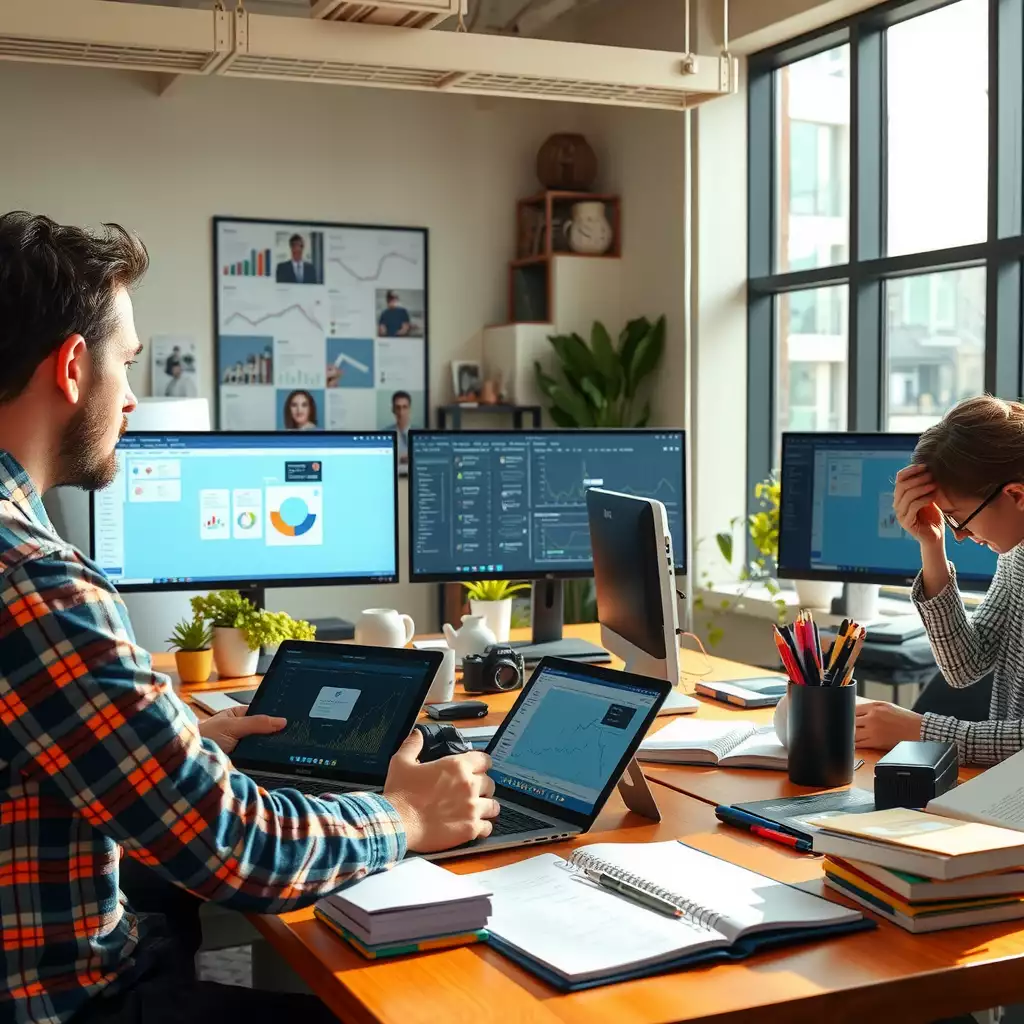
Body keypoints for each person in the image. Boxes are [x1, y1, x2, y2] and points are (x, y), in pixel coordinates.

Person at [0, 211, 499, 1024]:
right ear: (72, 368)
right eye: (126, 366)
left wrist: (180, 747)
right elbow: (236, 848)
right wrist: (407, 813)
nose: (130, 399)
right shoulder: (31, 579)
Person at [859, 395, 1024, 765]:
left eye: (958, 518)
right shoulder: (1017, 552)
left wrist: (921, 731)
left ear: (1016, 495)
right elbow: (965, 665)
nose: (960, 535)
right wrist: (932, 544)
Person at [390, 389, 412, 471]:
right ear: (393, 410)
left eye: (404, 407)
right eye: (398, 408)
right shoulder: (386, 434)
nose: (401, 412)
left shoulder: (419, 434)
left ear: (409, 409)